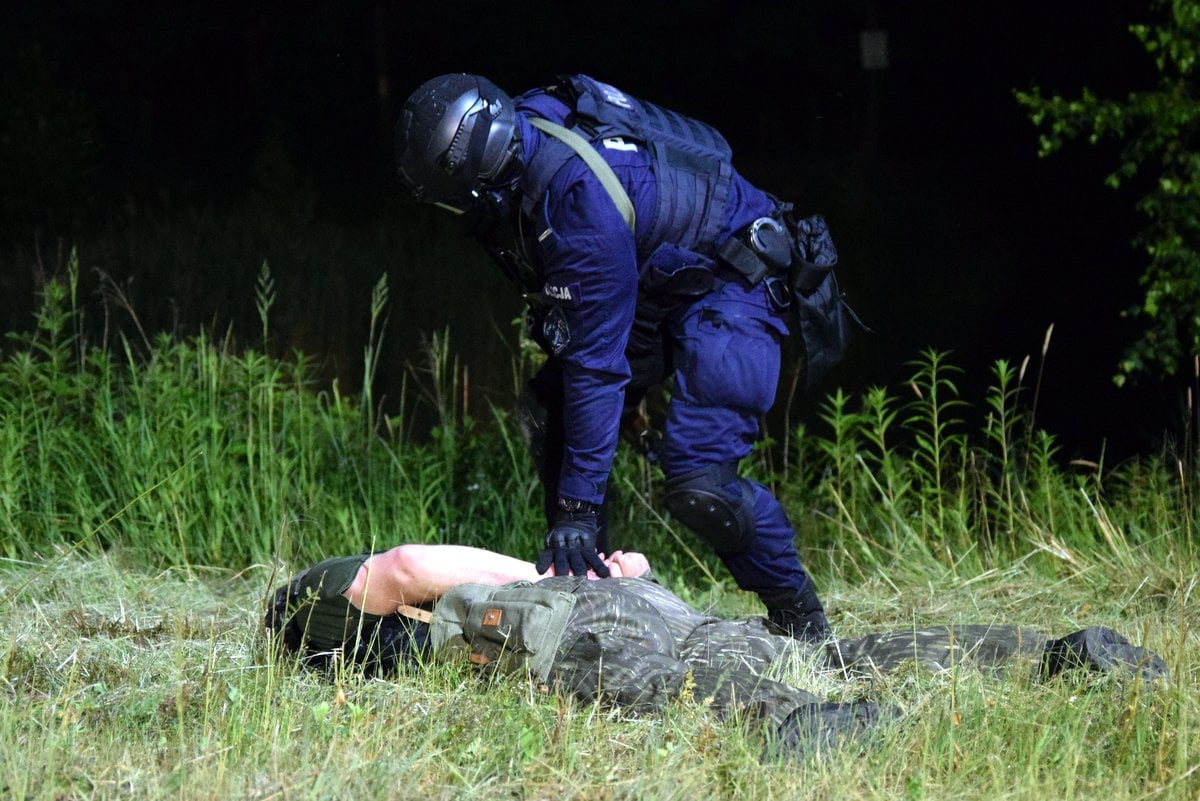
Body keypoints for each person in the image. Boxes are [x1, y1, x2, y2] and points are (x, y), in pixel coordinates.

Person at [393, 73, 853, 641]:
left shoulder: (576, 206)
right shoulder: (522, 141)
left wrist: (576, 510)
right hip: (663, 278)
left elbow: (595, 365)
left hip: (736, 281)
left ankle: (803, 623)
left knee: (700, 481)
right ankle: (601, 604)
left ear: (478, 177)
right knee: (553, 413)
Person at [264, 544, 1168, 758]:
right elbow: (411, 570)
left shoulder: (378, 625)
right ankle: (1049, 654)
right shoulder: (348, 620)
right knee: (838, 655)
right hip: (634, 608)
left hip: (594, 626)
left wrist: (575, 574)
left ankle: (808, 728)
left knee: (698, 682)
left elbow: (408, 572)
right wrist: (571, 568)